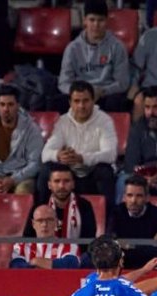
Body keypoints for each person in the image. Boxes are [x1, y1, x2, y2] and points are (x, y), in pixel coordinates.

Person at [38, 81, 117, 210]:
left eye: (86, 101)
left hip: (93, 175)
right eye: (77, 101)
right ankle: (42, 215)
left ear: (93, 101)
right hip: (71, 175)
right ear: (70, 102)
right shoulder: (63, 121)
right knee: (46, 171)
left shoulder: (104, 121)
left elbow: (110, 155)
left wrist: (82, 158)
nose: (81, 106)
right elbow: (45, 154)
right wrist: (58, 155)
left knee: (105, 171)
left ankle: (108, 222)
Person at [58, 0, 129, 113]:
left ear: (107, 21)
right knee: (57, 102)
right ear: (85, 21)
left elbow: (122, 83)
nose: (96, 25)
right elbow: (63, 82)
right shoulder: (72, 48)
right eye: (92, 20)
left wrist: (102, 91)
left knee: (117, 102)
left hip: (104, 95)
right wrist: (79, 93)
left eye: (100, 20)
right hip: (79, 94)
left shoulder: (117, 47)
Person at [33, 164, 97, 262]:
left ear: (73, 184)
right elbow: (28, 238)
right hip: (43, 258)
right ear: (49, 185)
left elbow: (88, 240)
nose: (62, 186)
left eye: (66, 181)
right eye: (57, 181)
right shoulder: (40, 205)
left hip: (76, 259)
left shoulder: (84, 206)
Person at [108, 176, 157, 269]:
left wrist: (129, 246)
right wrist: (145, 246)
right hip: (123, 261)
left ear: (147, 197)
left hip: (149, 264)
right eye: (129, 195)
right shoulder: (116, 212)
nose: (133, 201)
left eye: (139, 196)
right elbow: (112, 242)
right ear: (124, 197)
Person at [10, 205, 79, 270]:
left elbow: (71, 264)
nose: (44, 224)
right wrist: (48, 265)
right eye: (40, 220)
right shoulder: (21, 245)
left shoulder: (68, 244)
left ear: (56, 223)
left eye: (49, 220)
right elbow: (16, 266)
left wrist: (36, 262)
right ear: (33, 224)